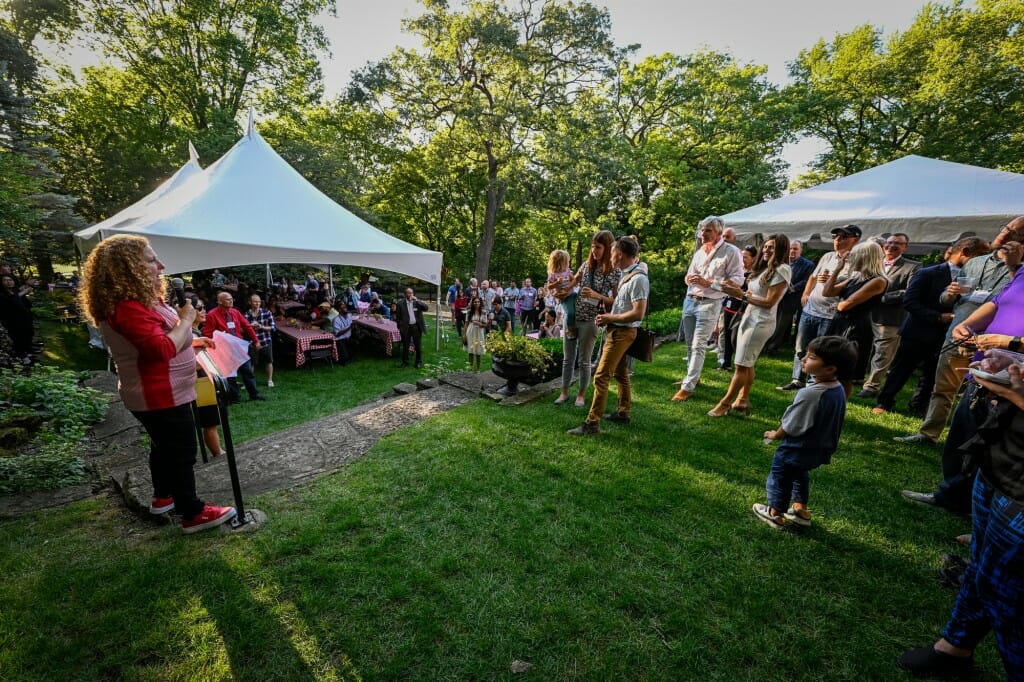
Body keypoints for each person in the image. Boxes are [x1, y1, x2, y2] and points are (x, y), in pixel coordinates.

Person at [77, 235, 236, 533]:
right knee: (182, 450)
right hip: (158, 394)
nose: (160, 265)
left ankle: (163, 497)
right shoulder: (127, 308)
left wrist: (193, 341)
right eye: (151, 260)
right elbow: (160, 350)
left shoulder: (140, 301)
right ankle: (193, 512)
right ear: (127, 268)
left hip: (162, 392)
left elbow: (163, 340)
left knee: (163, 446)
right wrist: (187, 321)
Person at [897, 350, 1024, 680]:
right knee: (981, 568)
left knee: (1010, 599)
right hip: (999, 465)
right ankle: (954, 647)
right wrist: (1010, 363)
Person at [902, 241, 1024, 516]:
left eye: (1017, 235)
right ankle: (950, 494)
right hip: (986, 367)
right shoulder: (1020, 273)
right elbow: (996, 303)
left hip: (1017, 382)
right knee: (965, 432)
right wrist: (966, 325)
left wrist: (1010, 342)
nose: (1008, 240)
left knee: (1001, 450)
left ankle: (986, 513)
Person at [896, 222, 1024, 446]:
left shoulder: (1019, 269)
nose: (1005, 234)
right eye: (1005, 228)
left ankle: (969, 443)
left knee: (981, 396)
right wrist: (949, 294)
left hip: (992, 344)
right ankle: (928, 434)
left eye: (1014, 233)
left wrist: (1013, 266)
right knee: (943, 389)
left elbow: (1002, 303)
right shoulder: (975, 262)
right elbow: (947, 299)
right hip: (959, 332)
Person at [873, 237, 989, 416]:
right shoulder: (928, 273)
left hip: (947, 335)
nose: (985, 259)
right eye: (981, 254)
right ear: (965, 252)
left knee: (932, 373)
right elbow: (910, 301)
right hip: (918, 331)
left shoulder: (977, 278)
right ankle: (884, 401)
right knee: (902, 369)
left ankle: (919, 406)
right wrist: (938, 317)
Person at [752, 335, 857, 530]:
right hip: (820, 448)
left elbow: (792, 424)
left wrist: (775, 434)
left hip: (797, 447)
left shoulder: (810, 394)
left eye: (812, 357)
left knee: (780, 475)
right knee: (800, 473)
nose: (804, 359)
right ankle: (801, 510)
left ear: (830, 369)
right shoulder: (838, 389)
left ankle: (774, 513)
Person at [568, 236, 648, 435]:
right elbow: (620, 304)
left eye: (612, 254)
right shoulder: (625, 275)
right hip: (616, 329)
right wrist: (605, 314)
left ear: (619, 254)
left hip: (622, 332)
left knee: (601, 376)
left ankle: (592, 423)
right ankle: (623, 412)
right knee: (621, 374)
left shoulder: (638, 279)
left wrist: (610, 317)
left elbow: (638, 313)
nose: (610, 258)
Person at [709, 235, 792, 417]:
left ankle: (725, 403)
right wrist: (731, 289)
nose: (766, 250)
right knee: (748, 362)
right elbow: (751, 294)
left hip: (761, 321)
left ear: (781, 250)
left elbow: (770, 302)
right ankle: (743, 399)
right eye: (765, 247)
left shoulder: (782, 270)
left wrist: (742, 295)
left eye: (772, 248)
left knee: (740, 365)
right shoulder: (765, 268)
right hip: (749, 316)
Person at [778, 224, 862, 391]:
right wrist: (805, 294)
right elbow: (813, 276)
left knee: (821, 352)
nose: (838, 240)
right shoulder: (828, 256)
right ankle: (797, 379)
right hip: (810, 309)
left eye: (843, 237)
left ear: (856, 239)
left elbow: (855, 284)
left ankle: (813, 383)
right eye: (835, 236)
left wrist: (833, 279)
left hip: (830, 314)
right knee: (801, 348)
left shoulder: (858, 261)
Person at [673, 216, 743, 402]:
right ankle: (692, 377)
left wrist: (709, 283)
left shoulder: (731, 252)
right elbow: (688, 274)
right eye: (702, 230)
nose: (703, 233)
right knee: (689, 344)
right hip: (690, 300)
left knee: (698, 345)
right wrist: (689, 279)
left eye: (708, 230)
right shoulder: (699, 252)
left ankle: (688, 387)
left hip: (710, 303)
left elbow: (738, 280)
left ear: (719, 233)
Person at [555, 230, 621, 408]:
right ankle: (564, 392)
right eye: (592, 247)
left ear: (607, 248)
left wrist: (596, 295)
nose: (594, 251)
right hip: (572, 317)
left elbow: (616, 301)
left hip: (590, 321)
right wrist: (560, 292)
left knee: (584, 360)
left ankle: (581, 394)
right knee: (568, 358)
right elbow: (573, 282)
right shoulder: (586, 265)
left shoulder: (614, 271)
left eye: (598, 247)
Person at [856, 233, 921, 398]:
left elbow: (910, 291)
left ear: (905, 247)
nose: (892, 246)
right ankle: (856, 377)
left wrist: (882, 297)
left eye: (898, 243)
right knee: (860, 347)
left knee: (883, 353)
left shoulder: (913, 266)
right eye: (889, 242)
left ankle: (871, 387)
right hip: (865, 313)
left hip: (890, 317)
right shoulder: (874, 261)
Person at [821, 241, 889, 384]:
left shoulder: (878, 281)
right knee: (829, 359)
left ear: (866, 258)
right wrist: (837, 269)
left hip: (855, 326)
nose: (851, 259)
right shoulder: (855, 278)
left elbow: (846, 305)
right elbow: (827, 292)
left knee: (845, 368)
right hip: (840, 322)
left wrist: (838, 305)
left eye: (855, 256)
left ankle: (840, 398)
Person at [204, 291, 266, 403]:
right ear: (220, 302)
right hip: (224, 350)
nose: (231, 300)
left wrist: (256, 341)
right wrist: (218, 338)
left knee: (247, 370)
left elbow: (247, 326)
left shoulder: (235, 312)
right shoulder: (212, 315)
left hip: (237, 347)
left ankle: (254, 394)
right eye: (228, 299)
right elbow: (207, 334)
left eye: (231, 298)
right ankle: (235, 397)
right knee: (230, 374)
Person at [765, 240, 816, 354]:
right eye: (791, 248)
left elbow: (808, 281)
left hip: (792, 299)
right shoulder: (782, 262)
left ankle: (772, 348)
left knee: (781, 324)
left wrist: (790, 288)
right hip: (776, 297)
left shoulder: (808, 264)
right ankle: (768, 343)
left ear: (801, 250)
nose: (792, 251)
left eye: (795, 249)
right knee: (772, 321)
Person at [189, 298, 224, 458]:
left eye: (204, 307)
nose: (204, 311)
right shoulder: (190, 335)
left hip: (203, 382)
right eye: (200, 308)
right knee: (209, 422)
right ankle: (218, 454)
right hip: (200, 384)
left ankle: (218, 451)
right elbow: (191, 364)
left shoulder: (195, 333)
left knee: (211, 422)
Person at [718, 245, 757, 371]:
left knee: (737, 339)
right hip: (728, 307)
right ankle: (726, 363)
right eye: (741, 257)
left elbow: (750, 293)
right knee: (727, 336)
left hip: (741, 310)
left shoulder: (755, 274)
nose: (742, 260)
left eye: (745, 257)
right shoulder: (735, 270)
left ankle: (741, 365)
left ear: (753, 258)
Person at [0, 273, 34, 363]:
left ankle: (27, 351)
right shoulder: (2, 294)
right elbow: (12, 301)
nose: (9, 282)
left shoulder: (14, 291)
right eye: (5, 280)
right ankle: (22, 356)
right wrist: (24, 292)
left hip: (24, 317)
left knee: (29, 333)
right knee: (18, 337)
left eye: (10, 280)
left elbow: (20, 300)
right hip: (13, 320)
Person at [244, 294, 276, 388]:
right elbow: (242, 329)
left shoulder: (267, 312)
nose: (257, 303)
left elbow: (273, 327)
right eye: (255, 301)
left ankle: (270, 380)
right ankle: (249, 382)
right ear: (250, 302)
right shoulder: (246, 314)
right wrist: (250, 327)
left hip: (265, 341)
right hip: (252, 342)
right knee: (251, 363)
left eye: (259, 301)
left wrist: (261, 327)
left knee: (269, 361)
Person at [396, 287, 428, 368]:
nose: (410, 295)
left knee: (418, 345)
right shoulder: (400, 303)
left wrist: (417, 300)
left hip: (416, 327)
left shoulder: (416, 302)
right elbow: (398, 317)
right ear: (405, 294)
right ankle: (405, 362)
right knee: (405, 345)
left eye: (411, 293)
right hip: (406, 327)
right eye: (408, 293)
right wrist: (400, 327)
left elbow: (426, 308)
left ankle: (418, 362)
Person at [464, 296, 488, 371]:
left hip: (479, 332)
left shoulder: (483, 312)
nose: (476, 303)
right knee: (470, 351)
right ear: (472, 303)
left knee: (478, 352)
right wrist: (464, 335)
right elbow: (466, 323)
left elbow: (486, 325)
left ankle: (478, 369)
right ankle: (470, 368)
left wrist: (479, 324)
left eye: (478, 302)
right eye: (475, 302)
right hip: (470, 331)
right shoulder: (469, 312)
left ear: (480, 303)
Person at [331, 300, 353, 365]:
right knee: (345, 358)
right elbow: (337, 334)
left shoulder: (349, 316)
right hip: (340, 340)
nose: (346, 309)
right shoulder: (336, 320)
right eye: (344, 308)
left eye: (346, 307)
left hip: (348, 338)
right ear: (339, 310)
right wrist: (349, 327)